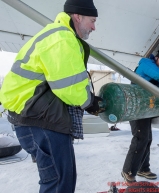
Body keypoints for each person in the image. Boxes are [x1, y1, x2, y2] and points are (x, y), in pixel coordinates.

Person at [0, 0, 103, 192]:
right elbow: (68, 87)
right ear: (78, 16)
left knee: (58, 178)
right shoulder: (62, 39)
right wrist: (90, 103)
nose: (94, 27)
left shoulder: (56, 34)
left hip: (33, 115)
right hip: (38, 118)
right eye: (92, 20)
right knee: (58, 183)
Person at [121, 51, 159, 184]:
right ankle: (128, 171)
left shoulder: (152, 70)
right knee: (140, 138)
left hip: (145, 107)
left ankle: (143, 168)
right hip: (137, 106)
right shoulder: (146, 64)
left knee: (147, 139)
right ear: (157, 58)